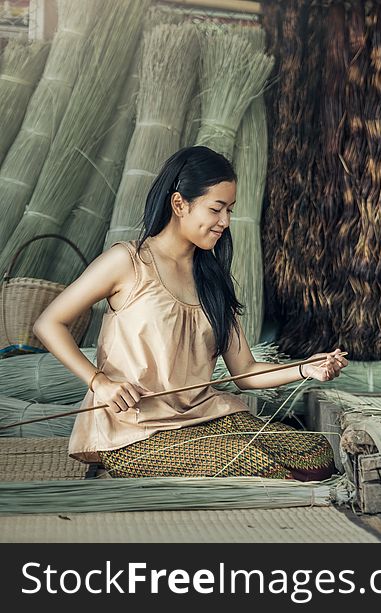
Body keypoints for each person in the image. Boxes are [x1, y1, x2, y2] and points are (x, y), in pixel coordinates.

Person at [34, 146, 348, 480]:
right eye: (216, 209)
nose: (225, 222)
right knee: (261, 468)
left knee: (315, 455)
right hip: (136, 427)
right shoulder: (127, 262)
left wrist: (305, 368)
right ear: (180, 204)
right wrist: (100, 383)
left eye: (229, 210)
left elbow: (245, 371)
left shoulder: (212, 278)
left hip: (205, 413)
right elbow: (49, 323)